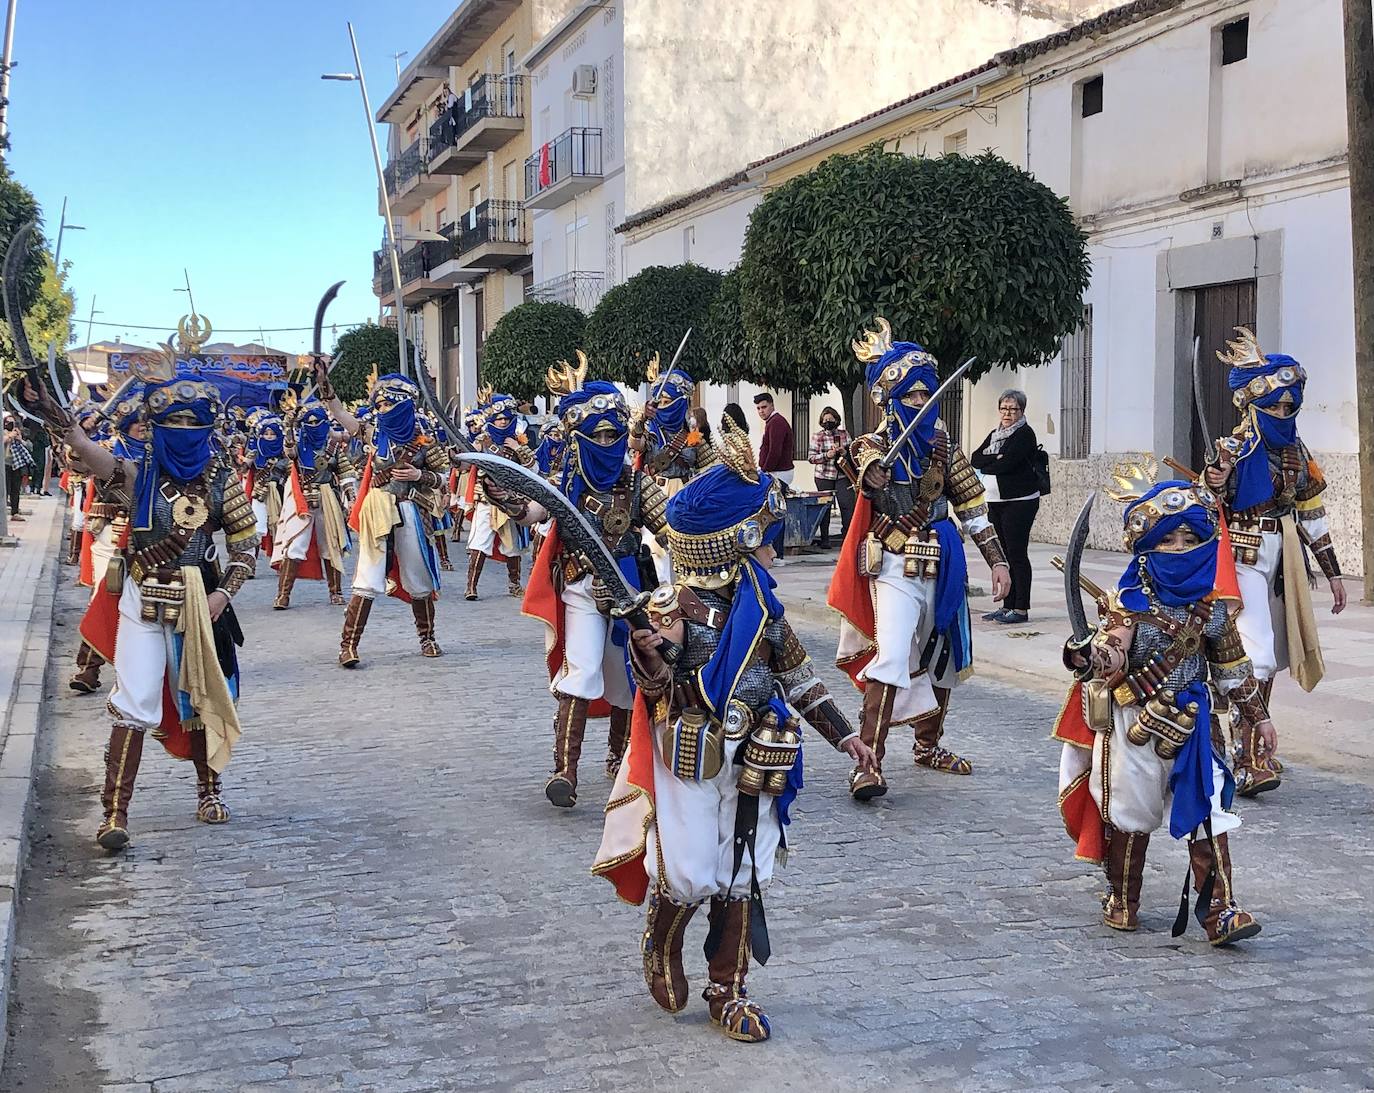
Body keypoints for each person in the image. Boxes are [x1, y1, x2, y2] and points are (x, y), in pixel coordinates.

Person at [592, 413, 876, 1043]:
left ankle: (729, 987)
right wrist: (651, 654)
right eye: (765, 528)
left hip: (758, 759)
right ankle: (662, 939)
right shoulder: (669, 610)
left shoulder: (762, 604)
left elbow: (799, 678)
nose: (775, 537)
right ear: (735, 536)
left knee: (744, 870)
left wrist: (846, 737)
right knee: (692, 870)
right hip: (691, 755)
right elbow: (655, 687)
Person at [26, 370, 256, 850]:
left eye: (194, 426)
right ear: (156, 428)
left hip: (201, 601)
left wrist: (223, 595)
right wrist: (55, 414)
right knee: (133, 700)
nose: (185, 435)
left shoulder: (222, 479)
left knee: (202, 695)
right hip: (141, 596)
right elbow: (88, 454)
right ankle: (115, 814)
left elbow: (245, 546)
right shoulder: (136, 472)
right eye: (175, 425)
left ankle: (209, 790)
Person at [1055, 461, 1268, 946]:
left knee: (1209, 811)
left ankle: (1220, 910)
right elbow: (1112, 654)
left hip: (1195, 723)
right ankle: (1123, 897)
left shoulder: (1212, 610)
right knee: (1131, 815)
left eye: (1187, 540)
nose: (1178, 549)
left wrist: (1260, 718)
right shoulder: (1127, 601)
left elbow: (1233, 671)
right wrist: (1091, 655)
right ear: (1147, 546)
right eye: (1167, 541)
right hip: (1135, 722)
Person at [828, 319, 1010, 799]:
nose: (922, 403)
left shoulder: (943, 446)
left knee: (944, 657)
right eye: (912, 397)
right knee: (890, 655)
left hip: (945, 564)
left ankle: (928, 746)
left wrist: (998, 561)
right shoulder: (873, 444)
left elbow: (972, 507)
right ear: (890, 400)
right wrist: (875, 474)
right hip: (893, 566)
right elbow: (861, 470)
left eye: (928, 395)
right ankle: (868, 763)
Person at [491, 362, 667, 806]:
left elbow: (670, 526)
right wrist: (505, 498)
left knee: (627, 680)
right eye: (598, 436)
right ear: (580, 437)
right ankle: (564, 770)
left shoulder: (636, 483)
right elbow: (533, 510)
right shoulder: (565, 483)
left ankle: (618, 755)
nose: (606, 444)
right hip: (582, 589)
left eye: (613, 435)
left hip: (629, 593)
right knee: (582, 672)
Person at [1203, 328, 1342, 797]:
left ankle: (1251, 747)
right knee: (1256, 655)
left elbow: (1310, 511)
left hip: (1285, 560)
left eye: (1290, 407)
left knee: (1276, 657)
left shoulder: (1296, 452)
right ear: (1253, 406)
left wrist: (1334, 572)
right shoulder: (1232, 448)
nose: (1284, 414)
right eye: (1275, 406)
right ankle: (1247, 757)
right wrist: (1216, 479)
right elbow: (1208, 499)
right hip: (1240, 558)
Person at [315, 366, 452, 667]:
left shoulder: (424, 435)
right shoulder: (371, 430)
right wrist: (326, 386)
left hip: (413, 508)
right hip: (378, 509)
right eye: (379, 404)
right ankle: (348, 646)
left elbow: (445, 477)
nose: (382, 409)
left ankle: (427, 637)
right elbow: (340, 414)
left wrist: (420, 474)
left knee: (418, 575)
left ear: (404, 403)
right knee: (367, 574)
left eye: (388, 403)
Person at [270, 395, 357, 610]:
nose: (314, 426)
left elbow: (345, 472)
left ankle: (335, 591)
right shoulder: (299, 446)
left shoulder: (334, 448)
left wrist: (351, 497)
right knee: (294, 546)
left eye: (317, 422)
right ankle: (283, 594)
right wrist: (289, 424)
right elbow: (289, 451)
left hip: (327, 500)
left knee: (330, 545)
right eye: (308, 422)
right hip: (301, 502)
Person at [971, 389, 1040, 624]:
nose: (1008, 413)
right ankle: (1007, 604)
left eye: (1013, 409)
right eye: (1004, 408)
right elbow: (975, 459)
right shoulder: (995, 434)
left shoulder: (1024, 434)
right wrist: (996, 459)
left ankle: (1021, 608)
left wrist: (996, 461)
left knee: (1016, 552)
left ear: (1022, 411)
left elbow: (1008, 464)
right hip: (996, 500)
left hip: (1019, 501)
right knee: (1003, 554)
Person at [465, 390, 534, 600]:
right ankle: (471, 586)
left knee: (512, 546)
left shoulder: (519, 441)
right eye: (499, 419)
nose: (503, 422)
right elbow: (466, 463)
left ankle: (514, 584)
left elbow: (533, 467)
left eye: (506, 418)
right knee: (479, 542)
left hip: (510, 500)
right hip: (485, 499)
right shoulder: (483, 441)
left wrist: (518, 449)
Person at [807, 406, 849, 549]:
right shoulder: (817, 436)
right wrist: (826, 455)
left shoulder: (844, 434)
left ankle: (847, 537)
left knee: (846, 505)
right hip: (824, 475)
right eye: (825, 420)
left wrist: (844, 452)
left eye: (831, 420)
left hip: (842, 474)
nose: (828, 422)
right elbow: (811, 458)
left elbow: (852, 451)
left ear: (837, 420)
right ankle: (825, 538)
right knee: (826, 507)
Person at [752, 392, 793, 487]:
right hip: (776, 472)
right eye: (758, 408)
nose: (761, 411)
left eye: (764, 407)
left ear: (772, 405)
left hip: (778, 473)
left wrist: (764, 471)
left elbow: (775, 451)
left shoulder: (776, 422)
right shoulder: (772, 421)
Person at [3, 413, 31, 521]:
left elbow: (28, 447)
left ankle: (15, 511)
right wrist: (9, 436)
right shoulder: (4, 433)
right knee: (5, 489)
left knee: (15, 489)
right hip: (5, 463)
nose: (10, 425)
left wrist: (19, 439)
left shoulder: (18, 434)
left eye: (12, 423)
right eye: (8, 423)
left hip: (17, 464)